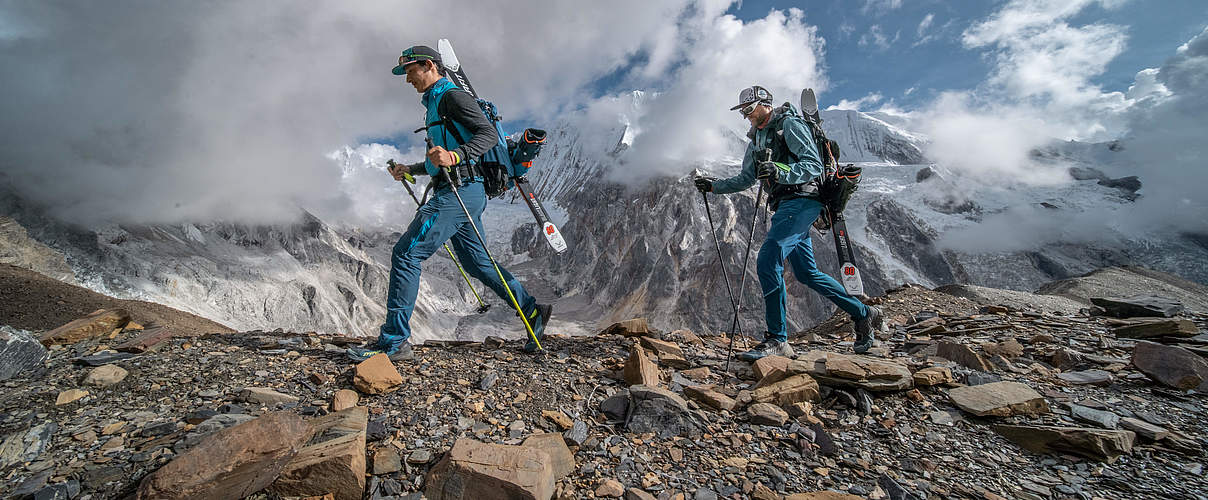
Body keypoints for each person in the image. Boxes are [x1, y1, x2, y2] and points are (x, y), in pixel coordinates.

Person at [348, 45, 552, 362]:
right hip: (459, 189)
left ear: (429, 65)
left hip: (461, 190)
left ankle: (394, 342)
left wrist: (456, 156)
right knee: (477, 264)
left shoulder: (451, 97)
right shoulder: (434, 104)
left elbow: (488, 136)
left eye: (409, 71)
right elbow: (440, 158)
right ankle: (533, 311)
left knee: (406, 253)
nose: (407, 80)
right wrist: (411, 169)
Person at [694, 85, 882, 360]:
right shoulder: (756, 139)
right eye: (743, 111)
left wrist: (779, 169)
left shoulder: (789, 125)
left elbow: (813, 166)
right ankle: (864, 313)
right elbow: (746, 178)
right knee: (807, 274)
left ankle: (777, 339)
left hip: (804, 201)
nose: (746, 115)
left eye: (749, 109)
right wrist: (714, 187)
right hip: (785, 206)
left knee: (768, 258)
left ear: (764, 104)